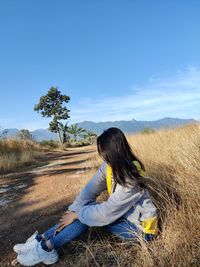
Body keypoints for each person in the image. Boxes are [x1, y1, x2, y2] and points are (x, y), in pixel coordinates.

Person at [13, 127, 158, 266]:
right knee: (83, 210)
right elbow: (89, 190)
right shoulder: (109, 167)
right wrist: (73, 210)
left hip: (140, 230)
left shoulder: (131, 175)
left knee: (86, 215)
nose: (102, 155)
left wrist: (77, 215)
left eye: (103, 152)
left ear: (113, 151)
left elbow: (107, 212)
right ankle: (41, 239)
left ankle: (46, 249)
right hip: (123, 217)